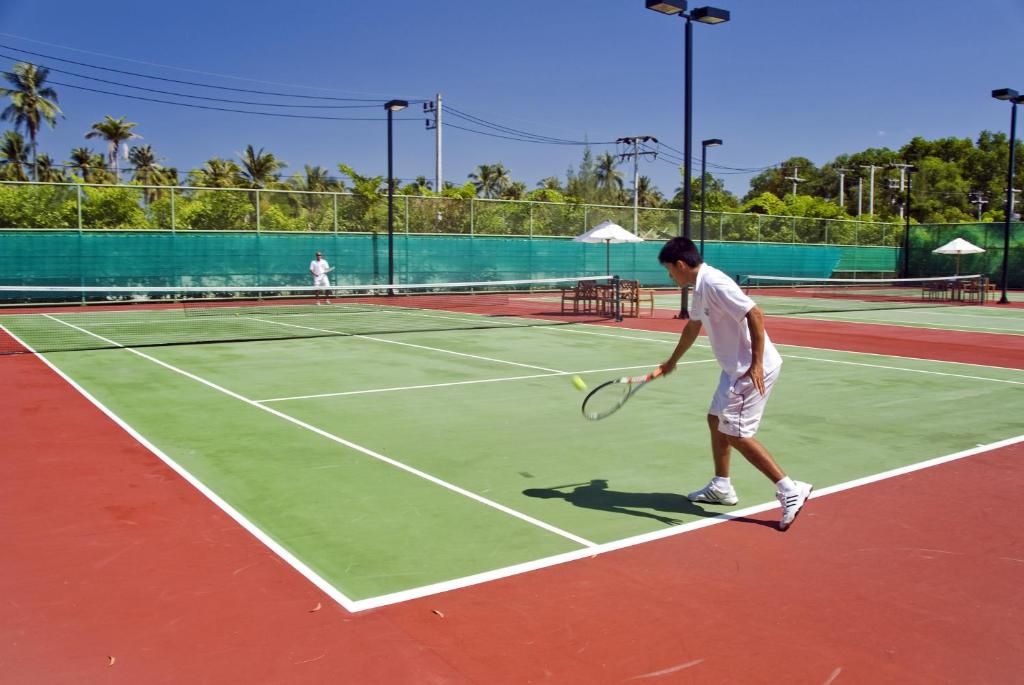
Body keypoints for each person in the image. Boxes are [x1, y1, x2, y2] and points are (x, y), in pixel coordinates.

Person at [657, 237, 812, 531]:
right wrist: (672, 361)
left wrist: (756, 363)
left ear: (680, 265)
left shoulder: (714, 283)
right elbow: (693, 326)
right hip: (733, 369)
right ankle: (722, 486)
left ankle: (790, 489)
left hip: (750, 370)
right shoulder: (699, 288)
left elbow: (755, 313)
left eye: (669, 270)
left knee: (737, 433)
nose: (670, 276)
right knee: (715, 419)